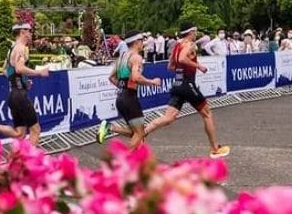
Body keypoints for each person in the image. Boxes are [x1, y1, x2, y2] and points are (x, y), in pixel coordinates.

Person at [142, 23, 231, 159]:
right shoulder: (189, 44)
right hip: (187, 83)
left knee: (169, 118)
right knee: (207, 113)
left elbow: (171, 66)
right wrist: (198, 66)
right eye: (195, 31)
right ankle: (215, 148)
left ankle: (142, 133)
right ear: (190, 32)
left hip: (177, 83)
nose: (196, 34)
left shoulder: (177, 45)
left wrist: (182, 67)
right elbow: (182, 58)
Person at [0, 23, 48, 145]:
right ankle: (29, 161)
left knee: (19, 133)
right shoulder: (21, 48)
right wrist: (39, 72)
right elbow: (19, 68)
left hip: (13, 93)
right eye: (29, 30)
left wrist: (22, 80)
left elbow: (5, 70)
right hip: (19, 96)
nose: (31, 33)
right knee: (35, 130)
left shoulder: (11, 49)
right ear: (22, 32)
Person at [96, 31, 161, 149]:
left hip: (121, 98)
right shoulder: (136, 57)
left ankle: (110, 127)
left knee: (136, 132)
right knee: (140, 133)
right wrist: (152, 82)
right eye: (142, 41)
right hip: (130, 98)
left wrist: (123, 87)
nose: (143, 43)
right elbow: (136, 77)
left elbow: (111, 78)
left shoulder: (122, 57)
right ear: (136, 42)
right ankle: (125, 161)